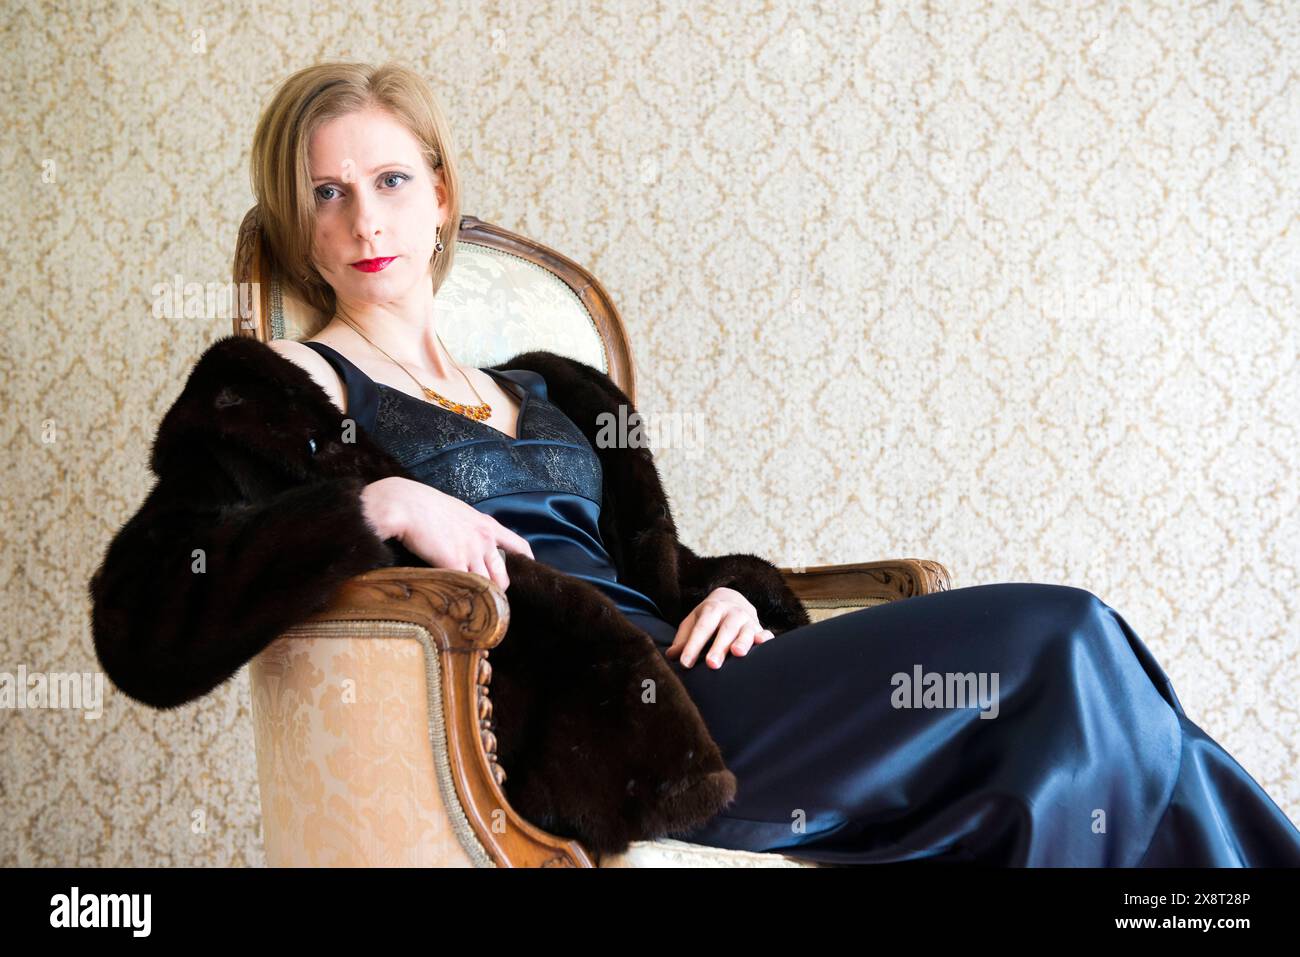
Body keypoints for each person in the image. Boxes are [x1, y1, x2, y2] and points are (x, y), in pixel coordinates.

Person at [247, 61, 1300, 865]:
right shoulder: (294, 377)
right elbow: (172, 588)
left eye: (388, 179)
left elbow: (661, 563)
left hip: (711, 670)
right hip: (604, 716)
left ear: (438, 192)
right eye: (327, 192)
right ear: (298, 217)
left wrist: (735, 600)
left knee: (1085, 705)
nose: (365, 217)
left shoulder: (557, 386)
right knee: (1066, 637)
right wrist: (383, 504)